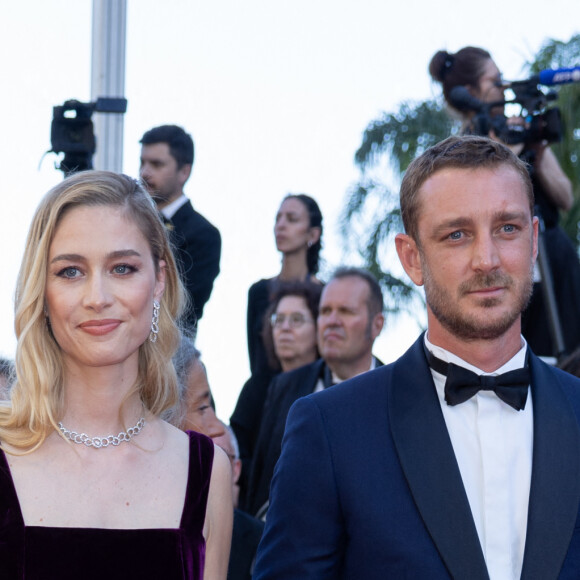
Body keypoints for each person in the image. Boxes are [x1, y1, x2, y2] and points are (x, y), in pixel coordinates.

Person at [254, 136, 580, 579]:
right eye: (457, 234)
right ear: (412, 258)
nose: (487, 259)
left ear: (534, 239)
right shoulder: (331, 430)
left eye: (507, 228)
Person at [0, 171, 232, 579]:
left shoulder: (204, 471)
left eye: (122, 268)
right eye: (70, 272)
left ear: (159, 281)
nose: (97, 298)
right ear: (43, 291)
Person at [429, 46, 580, 359]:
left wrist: (534, 150)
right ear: (468, 92)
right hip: (502, 266)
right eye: (495, 80)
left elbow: (565, 195)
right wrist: (503, 151)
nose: (503, 87)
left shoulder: (518, 128)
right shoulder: (456, 152)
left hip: (553, 256)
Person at [246, 267, 384, 519]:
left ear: (377, 325)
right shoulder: (284, 386)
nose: (332, 321)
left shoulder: (397, 394)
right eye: (325, 311)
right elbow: (262, 474)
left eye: (346, 311)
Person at [231, 281, 322, 509]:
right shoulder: (256, 388)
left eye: (297, 320)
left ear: (319, 327)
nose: (285, 328)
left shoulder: (330, 386)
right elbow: (237, 448)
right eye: (278, 320)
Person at [140, 124, 221, 330]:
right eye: (142, 163)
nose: (145, 173)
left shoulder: (203, 234)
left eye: (156, 164)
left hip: (172, 354)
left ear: (184, 172)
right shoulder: (131, 223)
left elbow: (185, 307)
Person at [246, 194, 323, 377]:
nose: (281, 226)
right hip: (263, 398)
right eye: (278, 218)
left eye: (292, 219)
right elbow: (256, 363)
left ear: (313, 234)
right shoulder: (258, 292)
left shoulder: (325, 294)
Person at [214, 423, 264, 580]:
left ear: (236, 470)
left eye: (219, 456)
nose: (207, 464)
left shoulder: (262, 538)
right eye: (197, 453)